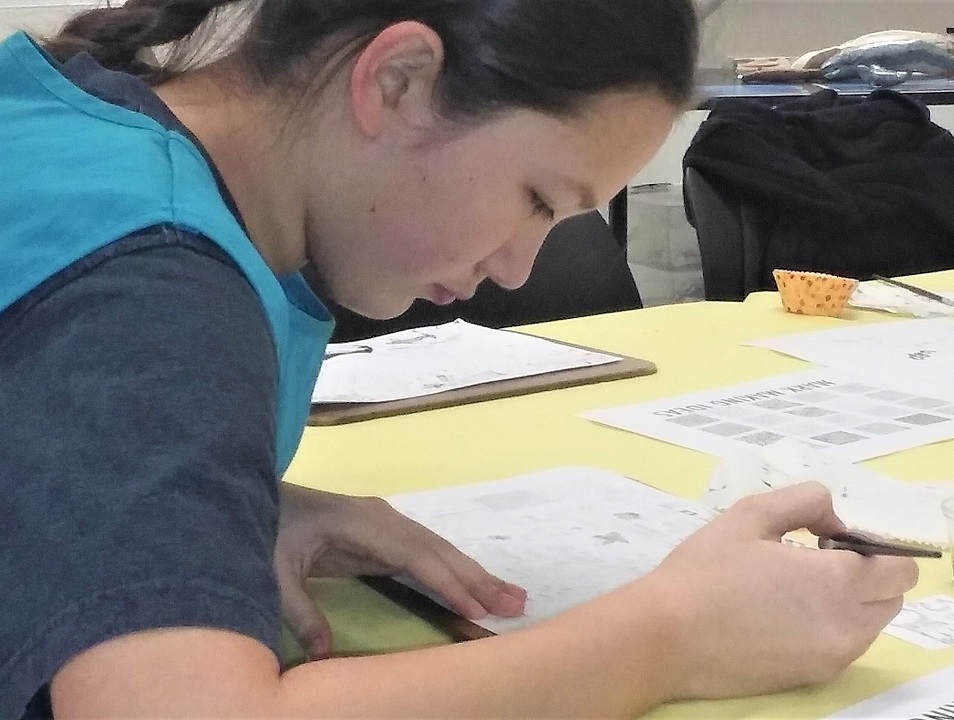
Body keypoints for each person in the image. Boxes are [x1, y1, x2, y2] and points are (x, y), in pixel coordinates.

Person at [0, 0, 918, 717]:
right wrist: (672, 635)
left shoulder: (85, 124)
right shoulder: (155, 282)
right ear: (398, 80)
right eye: (535, 198)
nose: (519, 266)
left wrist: (198, 504)